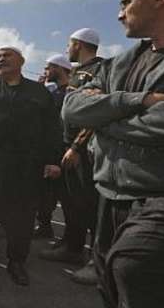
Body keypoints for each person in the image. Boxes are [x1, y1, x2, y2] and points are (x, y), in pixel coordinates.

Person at [63, 0, 164, 308]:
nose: (120, 14)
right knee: (109, 285)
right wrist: (138, 101)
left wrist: (104, 121)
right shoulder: (117, 64)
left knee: (135, 268)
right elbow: (73, 108)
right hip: (110, 198)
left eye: (126, 3)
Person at [0, 46, 63, 285]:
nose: (1, 60)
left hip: (26, 165)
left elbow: (52, 128)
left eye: (6, 56)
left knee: (22, 217)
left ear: (21, 61)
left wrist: (52, 160)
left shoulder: (40, 93)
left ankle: (17, 262)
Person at [61, 27, 104, 285]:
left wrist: (77, 146)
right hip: (69, 147)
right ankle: (72, 248)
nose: (68, 49)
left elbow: (95, 113)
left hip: (83, 151)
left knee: (91, 207)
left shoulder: (99, 71)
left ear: (78, 44)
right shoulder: (77, 72)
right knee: (73, 203)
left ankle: (97, 262)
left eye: (70, 44)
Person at [34, 54, 73, 240]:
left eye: (48, 67)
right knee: (45, 193)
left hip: (66, 152)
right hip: (49, 150)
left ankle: (72, 242)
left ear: (58, 68)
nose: (45, 71)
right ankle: (44, 226)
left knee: (69, 200)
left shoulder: (72, 92)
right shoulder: (52, 92)